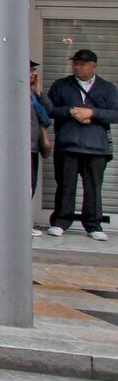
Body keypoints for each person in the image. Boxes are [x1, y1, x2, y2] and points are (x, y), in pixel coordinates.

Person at [45, 48, 118, 240]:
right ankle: (60, 222)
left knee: (93, 187)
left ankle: (93, 225)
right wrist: (71, 111)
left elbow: (115, 113)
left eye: (82, 64)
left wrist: (92, 113)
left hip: (96, 147)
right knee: (65, 185)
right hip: (68, 145)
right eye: (75, 63)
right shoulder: (61, 85)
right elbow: (49, 110)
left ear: (94, 66)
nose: (78, 67)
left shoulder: (107, 88)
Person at [31, 60, 56, 237]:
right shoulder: (16, 91)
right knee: (25, 186)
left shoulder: (32, 94)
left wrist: (38, 91)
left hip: (32, 147)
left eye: (34, 70)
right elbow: (45, 118)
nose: (33, 73)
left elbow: (48, 111)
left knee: (30, 185)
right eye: (30, 70)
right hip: (21, 148)